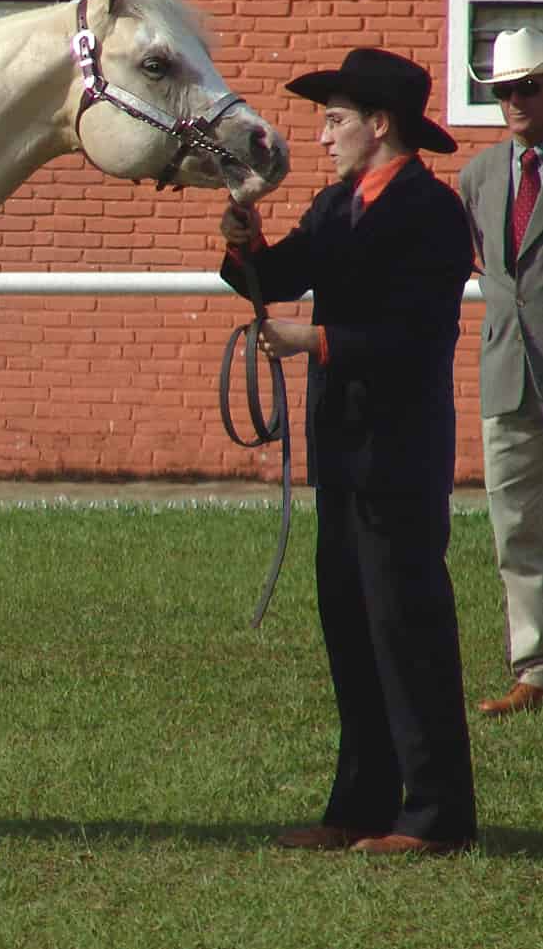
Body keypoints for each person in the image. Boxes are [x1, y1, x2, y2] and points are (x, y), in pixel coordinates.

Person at [219, 47, 477, 855]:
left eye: (335, 120)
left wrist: (316, 339)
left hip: (398, 453)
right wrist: (244, 245)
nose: (324, 135)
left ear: (379, 124)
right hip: (342, 450)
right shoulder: (337, 207)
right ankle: (360, 805)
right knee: (351, 626)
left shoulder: (429, 214)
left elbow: (418, 335)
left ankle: (435, 815)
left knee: (407, 629)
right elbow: (273, 274)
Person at [460, 27, 543, 717]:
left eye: (528, 86)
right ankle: (534, 667)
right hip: (506, 370)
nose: (514, 101)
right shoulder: (479, 175)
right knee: (513, 524)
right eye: (503, 91)